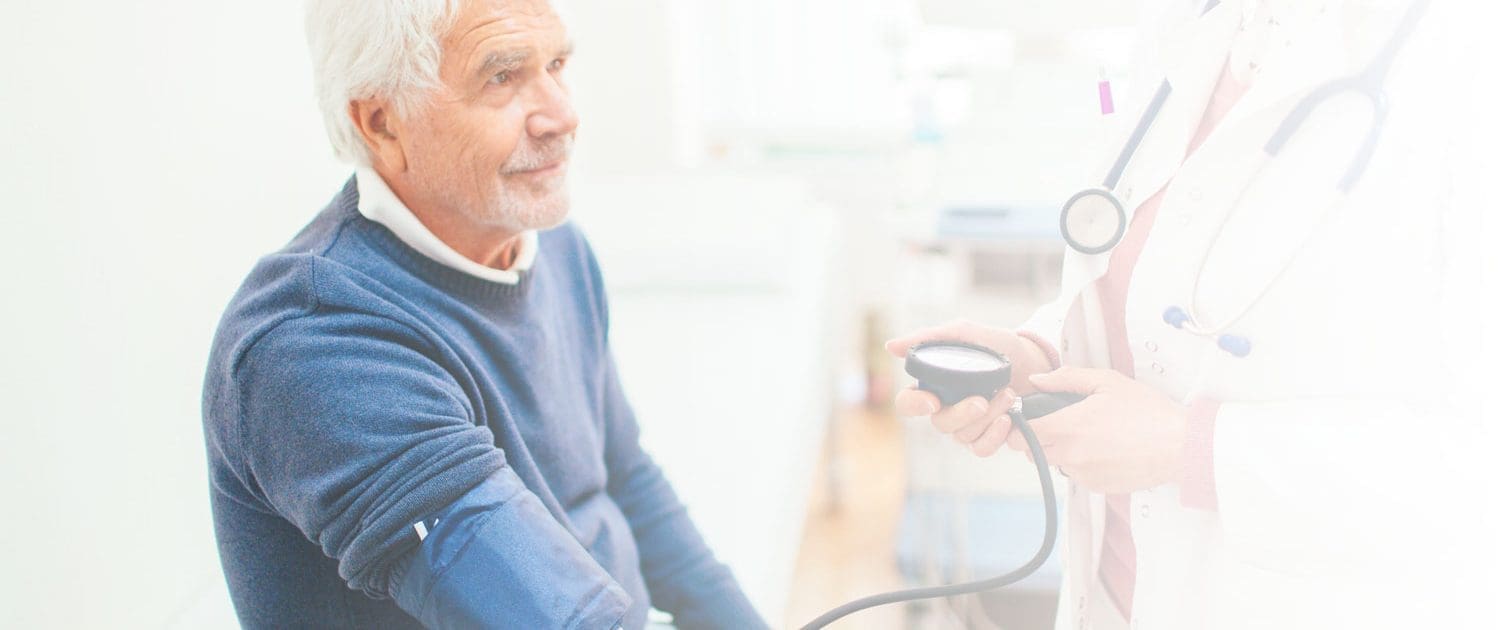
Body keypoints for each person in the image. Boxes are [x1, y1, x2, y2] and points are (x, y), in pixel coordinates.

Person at [888, 1, 1483, 629]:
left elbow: (1477, 477)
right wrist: (1044, 360)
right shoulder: (1196, 19)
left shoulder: (1466, 62)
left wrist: (1190, 449)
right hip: (1120, 595)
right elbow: (1147, 274)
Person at [199, 1, 766, 628]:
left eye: (556, 64)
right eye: (502, 77)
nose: (563, 114)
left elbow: (626, 477)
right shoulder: (314, 342)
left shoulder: (555, 250)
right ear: (382, 122)